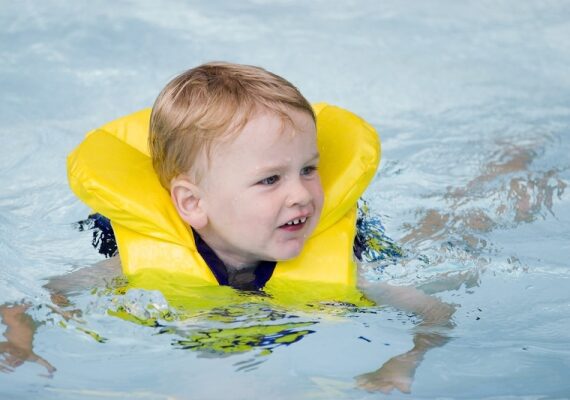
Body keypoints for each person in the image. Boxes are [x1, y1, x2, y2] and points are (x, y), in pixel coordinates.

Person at [3, 62, 454, 393]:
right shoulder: (131, 265)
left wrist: (402, 363)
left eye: (309, 169)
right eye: (271, 179)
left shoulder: (352, 269)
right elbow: (34, 298)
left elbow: (437, 312)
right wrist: (20, 342)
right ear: (193, 203)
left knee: (451, 226)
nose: (301, 194)